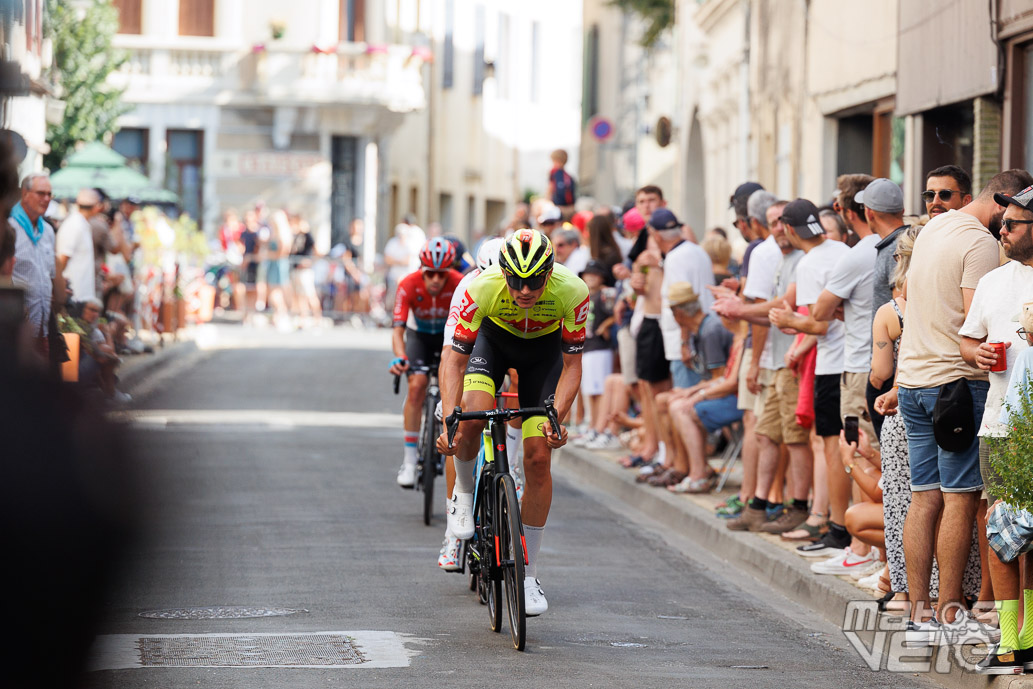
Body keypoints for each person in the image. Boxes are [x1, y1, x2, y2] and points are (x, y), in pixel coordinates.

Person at [895, 169, 1033, 645]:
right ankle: (950, 615)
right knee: (958, 498)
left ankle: (919, 615)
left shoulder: (935, 227)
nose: (1005, 231)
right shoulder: (979, 246)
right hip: (954, 387)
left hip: (914, 379)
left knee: (923, 495)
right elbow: (978, 319)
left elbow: (910, 298)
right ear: (1005, 203)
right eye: (1008, 219)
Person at [437, 229, 588, 616]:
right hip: (492, 344)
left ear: (549, 273)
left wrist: (558, 417)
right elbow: (453, 360)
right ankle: (462, 496)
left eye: (534, 281)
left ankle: (529, 575)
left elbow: (572, 366)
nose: (524, 290)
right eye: (516, 280)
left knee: (538, 460)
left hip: (543, 355)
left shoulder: (572, 291)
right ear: (502, 273)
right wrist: (450, 418)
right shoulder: (481, 287)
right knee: (470, 421)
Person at [960, 183, 1033, 641]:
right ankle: (1010, 640)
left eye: (1011, 224)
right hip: (1001, 423)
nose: (1000, 230)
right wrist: (977, 354)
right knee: (1002, 530)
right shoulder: (993, 281)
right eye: (1000, 222)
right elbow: (968, 339)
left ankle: (1030, 632)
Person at [767, 198, 852, 559]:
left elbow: (819, 323)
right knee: (843, 445)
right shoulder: (841, 250)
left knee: (831, 445)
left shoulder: (809, 262)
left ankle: (836, 528)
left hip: (834, 363)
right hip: (854, 358)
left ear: (788, 229)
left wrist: (787, 322)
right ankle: (839, 525)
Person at [435, 237, 505, 572]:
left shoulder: (525, 292)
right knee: (460, 430)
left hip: (512, 345)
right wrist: (449, 405)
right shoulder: (469, 287)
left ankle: (513, 470)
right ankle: (453, 529)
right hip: (477, 348)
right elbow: (451, 355)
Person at [389, 237, 463, 488]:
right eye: (430, 273)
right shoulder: (408, 284)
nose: (435, 280)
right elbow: (398, 329)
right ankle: (409, 461)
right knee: (417, 385)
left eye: (441, 274)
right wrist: (400, 357)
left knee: (451, 389)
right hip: (419, 337)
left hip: (448, 339)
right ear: (422, 269)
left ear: (449, 272)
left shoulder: (459, 284)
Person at [665, 283, 742, 493]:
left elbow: (724, 381)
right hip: (728, 393)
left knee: (681, 409)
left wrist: (696, 395)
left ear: (679, 313)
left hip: (735, 398)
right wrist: (691, 392)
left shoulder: (711, 330)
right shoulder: (703, 330)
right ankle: (695, 468)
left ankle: (698, 473)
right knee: (674, 401)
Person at [10, 173, 56, 356]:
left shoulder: (48, 232)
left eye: (49, 194)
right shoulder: (10, 228)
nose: (46, 199)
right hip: (17, 326)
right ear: (25, 193)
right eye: (40, 193)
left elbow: (49, 274)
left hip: (43, 327)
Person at [574, 260, 616, 448]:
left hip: (600, 347)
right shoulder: (584, 295)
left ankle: (600, 427)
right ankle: (592, 426)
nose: (590, 277)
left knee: (599, 391)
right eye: (587, 274)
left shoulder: (606, 294)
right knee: (590, 390)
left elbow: (615, 313)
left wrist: (605, 326)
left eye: (595, 274)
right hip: (587, 347)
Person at [57, 189, 102, 303]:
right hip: (74, 295)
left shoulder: (81, 223)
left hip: (80, 294)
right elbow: (62, 260)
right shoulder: (75, 224)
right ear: (97, 207)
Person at [547, 149, 576, 218]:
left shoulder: (554, 173)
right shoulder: (569, 177)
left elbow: (550, 190)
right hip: (568, 208)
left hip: (557, 208)